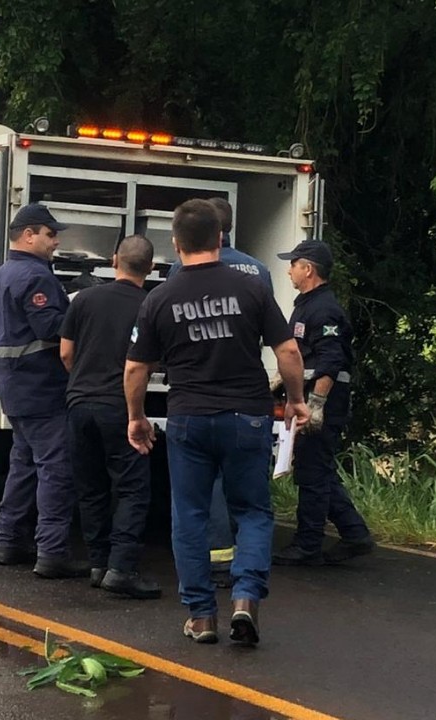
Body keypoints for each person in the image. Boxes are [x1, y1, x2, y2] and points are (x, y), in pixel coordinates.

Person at [125, 199, 309, 646]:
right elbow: (287, 351)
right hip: (246, 416)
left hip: (188, 418)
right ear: (221, 237)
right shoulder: (251, 287)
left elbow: (135, 368)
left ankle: (202, 617)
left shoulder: (159, 297)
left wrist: (135, 418)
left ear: (175, 243)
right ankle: (245, 600)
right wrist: (298, 400)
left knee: (188, 515)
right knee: (253, 511)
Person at [170, 197, 274, 586]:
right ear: (223, 230)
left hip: (193, 399)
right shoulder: (257, 272)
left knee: (196, 499)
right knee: (251, 503)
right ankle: (247, 584)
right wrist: (297, 399)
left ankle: (207, 583)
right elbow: (279, 342)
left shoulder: (177, 275)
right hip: (246, 400)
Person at [0, 203, 87, 579]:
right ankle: (52, 553)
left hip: (15, 388)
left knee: (23, 466)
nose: (55, 241)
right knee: (55, 470)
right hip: (42, 387)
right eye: (50, 234)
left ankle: (9, 542)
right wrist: (80, 307)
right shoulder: (35, 276)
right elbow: (49, 328)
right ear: (28, 235)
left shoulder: (4, 273)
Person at [59, 234, 160, 600]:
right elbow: (151, 360)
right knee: (132, 488)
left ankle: (99, 563)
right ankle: (122, 567)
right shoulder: (151, 304)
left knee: (91, 488)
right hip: (120, 407)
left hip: (79, 404)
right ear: (150, 268)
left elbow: (66, 353)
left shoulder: (84, 299)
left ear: (114, 260)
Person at [271, 240, 375, 566]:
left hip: (324, 401)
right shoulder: (306, 305)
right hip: (308, 397)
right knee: (318, 470)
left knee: (313, 473)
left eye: (294, 263)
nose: (289, 270)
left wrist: (316, 403)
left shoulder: (325, 309)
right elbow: (302, 356)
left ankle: (307, 545)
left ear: (308, 269)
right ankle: (355, 534)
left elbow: (330, 360)